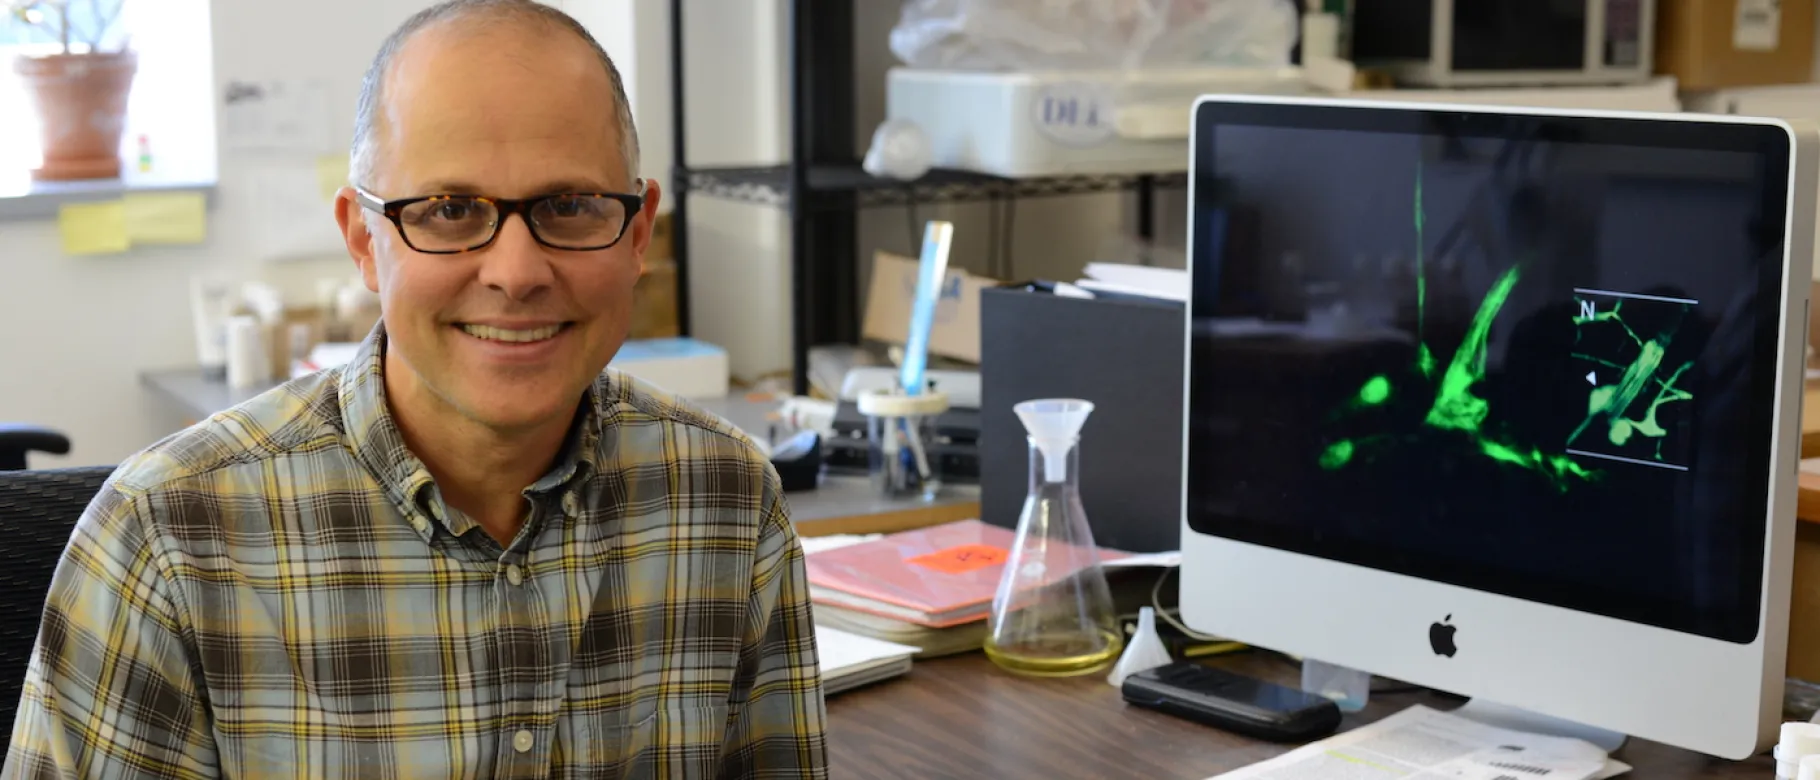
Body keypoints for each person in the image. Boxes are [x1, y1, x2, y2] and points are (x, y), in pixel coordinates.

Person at [2, 1, 828, 777]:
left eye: (570, 205)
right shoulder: (165, 538)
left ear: (638, 232)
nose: (515, 273)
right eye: (448, 209)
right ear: (365, 241)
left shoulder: (727, 502)